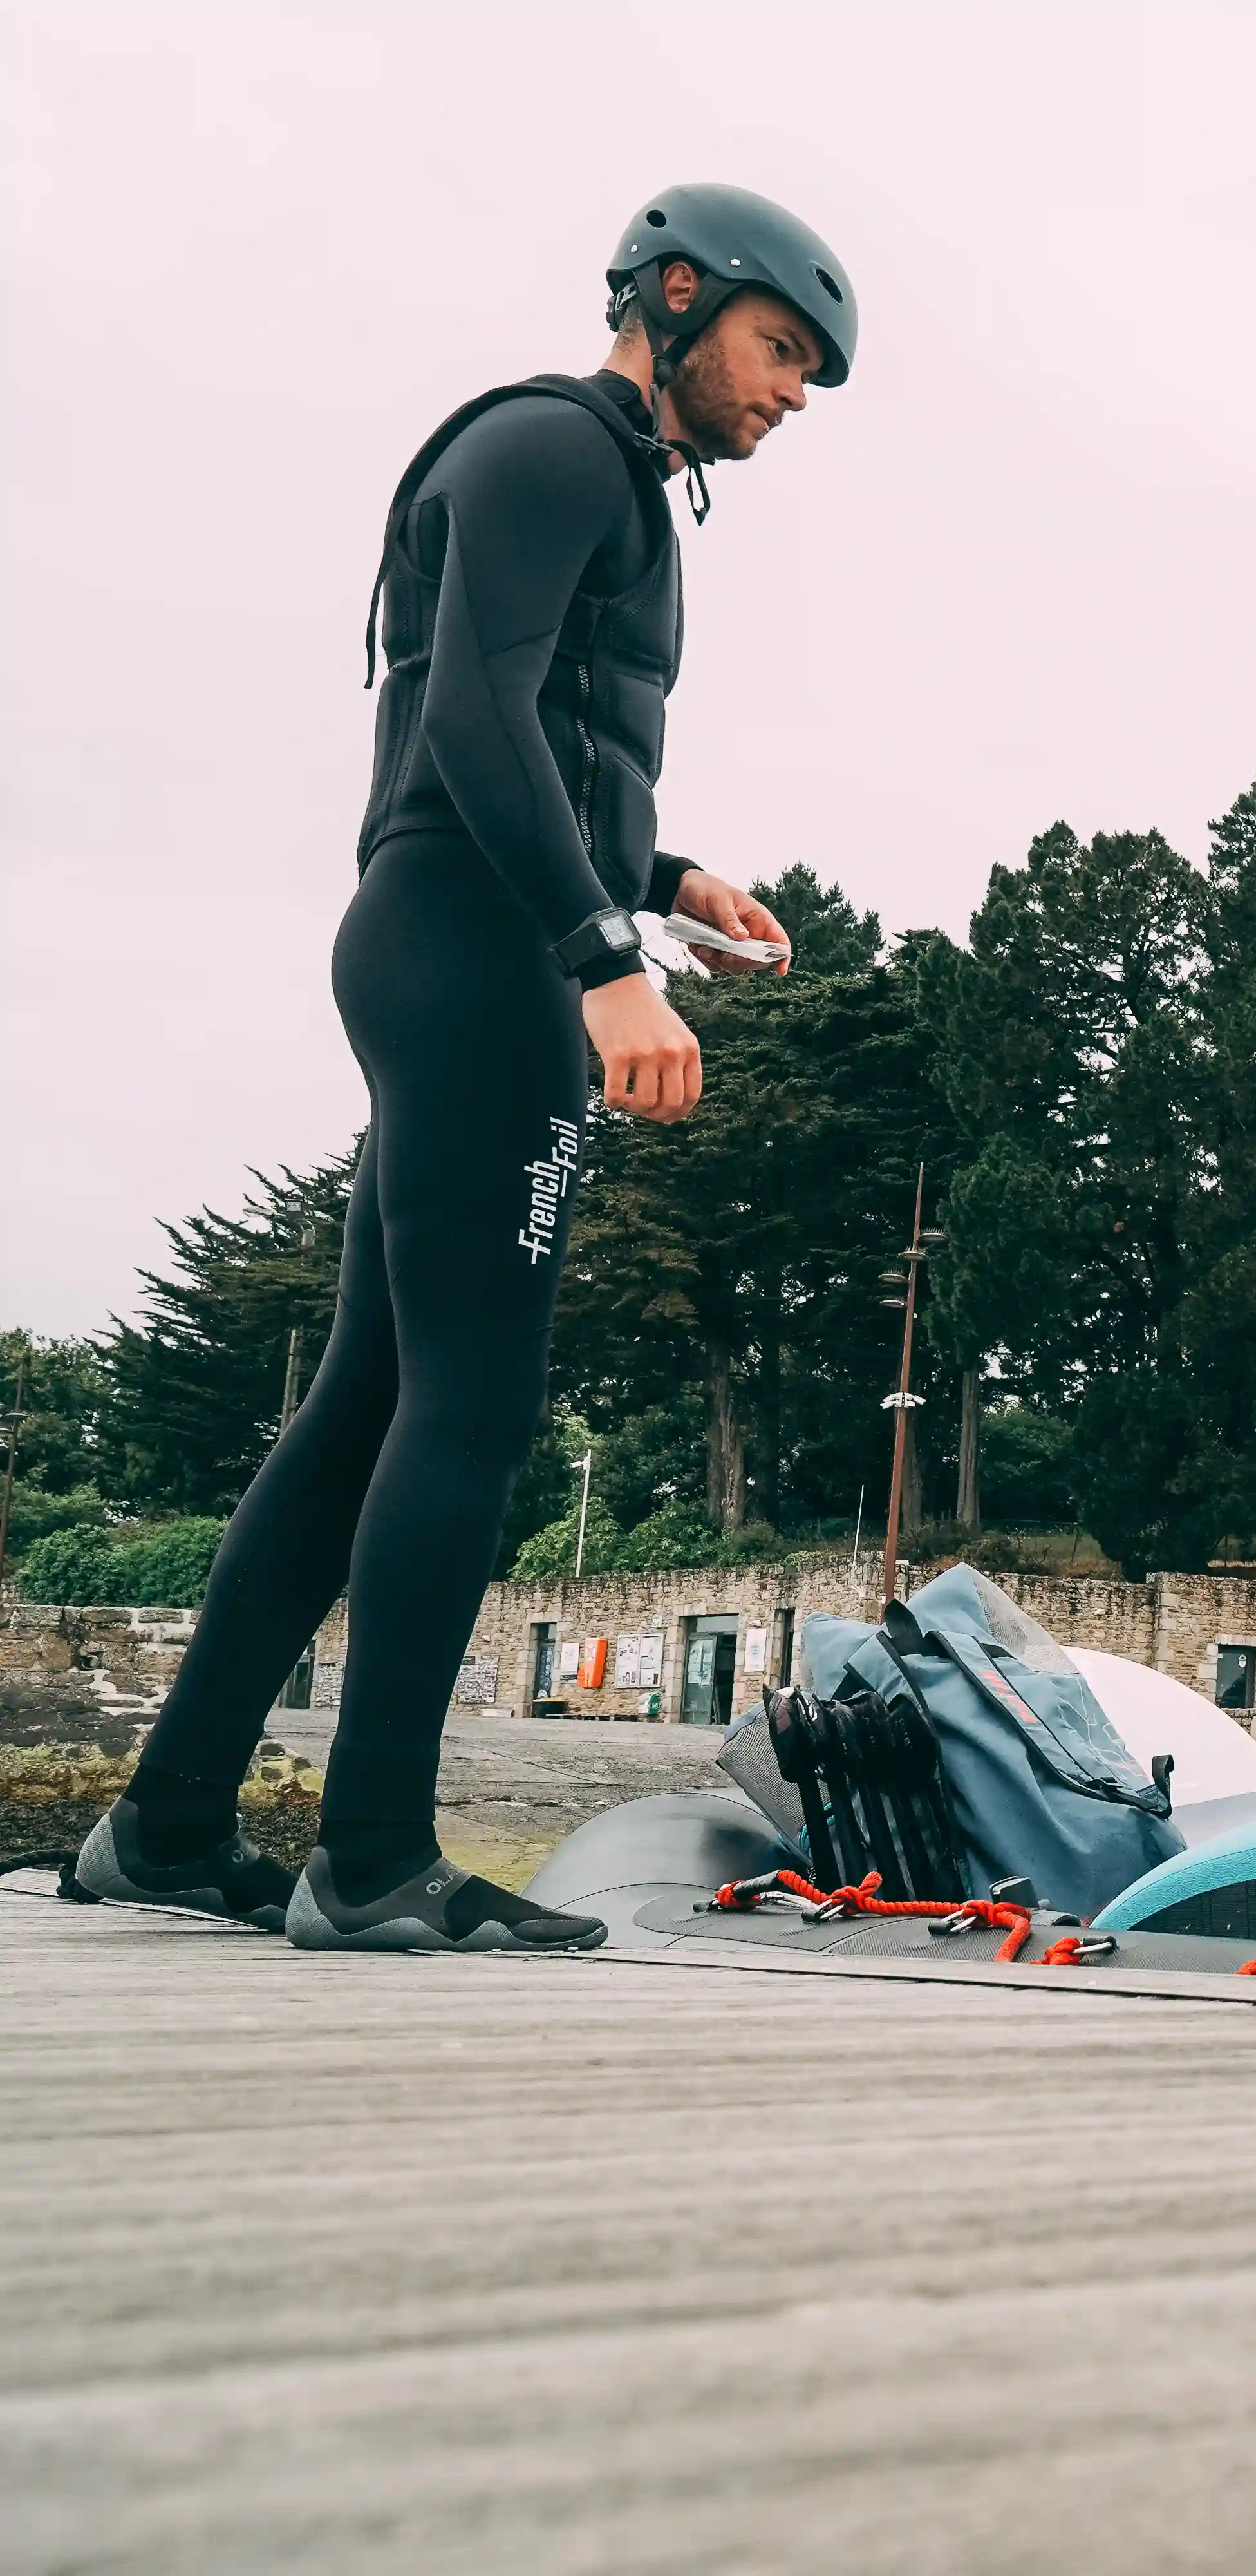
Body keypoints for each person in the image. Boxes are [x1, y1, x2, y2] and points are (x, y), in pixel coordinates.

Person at [78, 186, 856, 1950]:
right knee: (479, 1400)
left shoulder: (599, 477)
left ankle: (171, 1823)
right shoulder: (556, 445)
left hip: (466, 922)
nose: (793, 393)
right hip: (478, 947)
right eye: (779, 349)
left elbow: (526, 726)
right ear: (678, 298)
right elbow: (468, 725)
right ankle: (370, 1858)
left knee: (370, 1395)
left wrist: (661, 878)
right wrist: (603, 962)